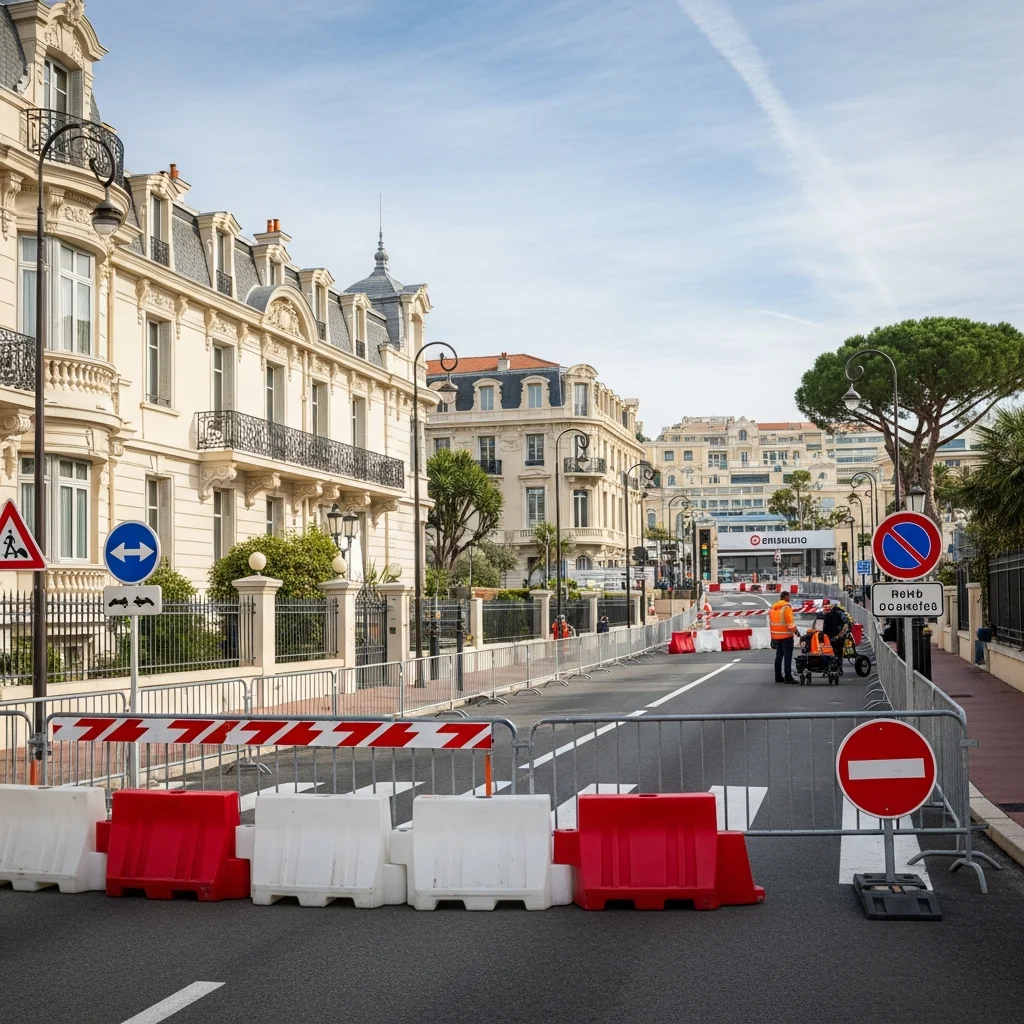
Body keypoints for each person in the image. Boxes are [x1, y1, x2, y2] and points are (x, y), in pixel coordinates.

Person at [769, 591, 798, 683]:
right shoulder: (786, 607)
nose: (790, 598)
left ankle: (778, 676)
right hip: (786, 635)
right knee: (787, 656)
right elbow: (789, 622)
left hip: (776, 635)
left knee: (779, 656)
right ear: (785, 597)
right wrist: (796, 631)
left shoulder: (773, 607)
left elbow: (771, 622)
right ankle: (788, 677)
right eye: (789, 596)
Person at [823, 602, 850, 672]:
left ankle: (829, 667)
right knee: (838, 653)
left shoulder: (828, 615)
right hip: (837, 637)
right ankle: (838, 667)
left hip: (830, 637)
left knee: (829, 652)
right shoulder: (840, 614)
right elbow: (846, 625)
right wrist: (839, 636)